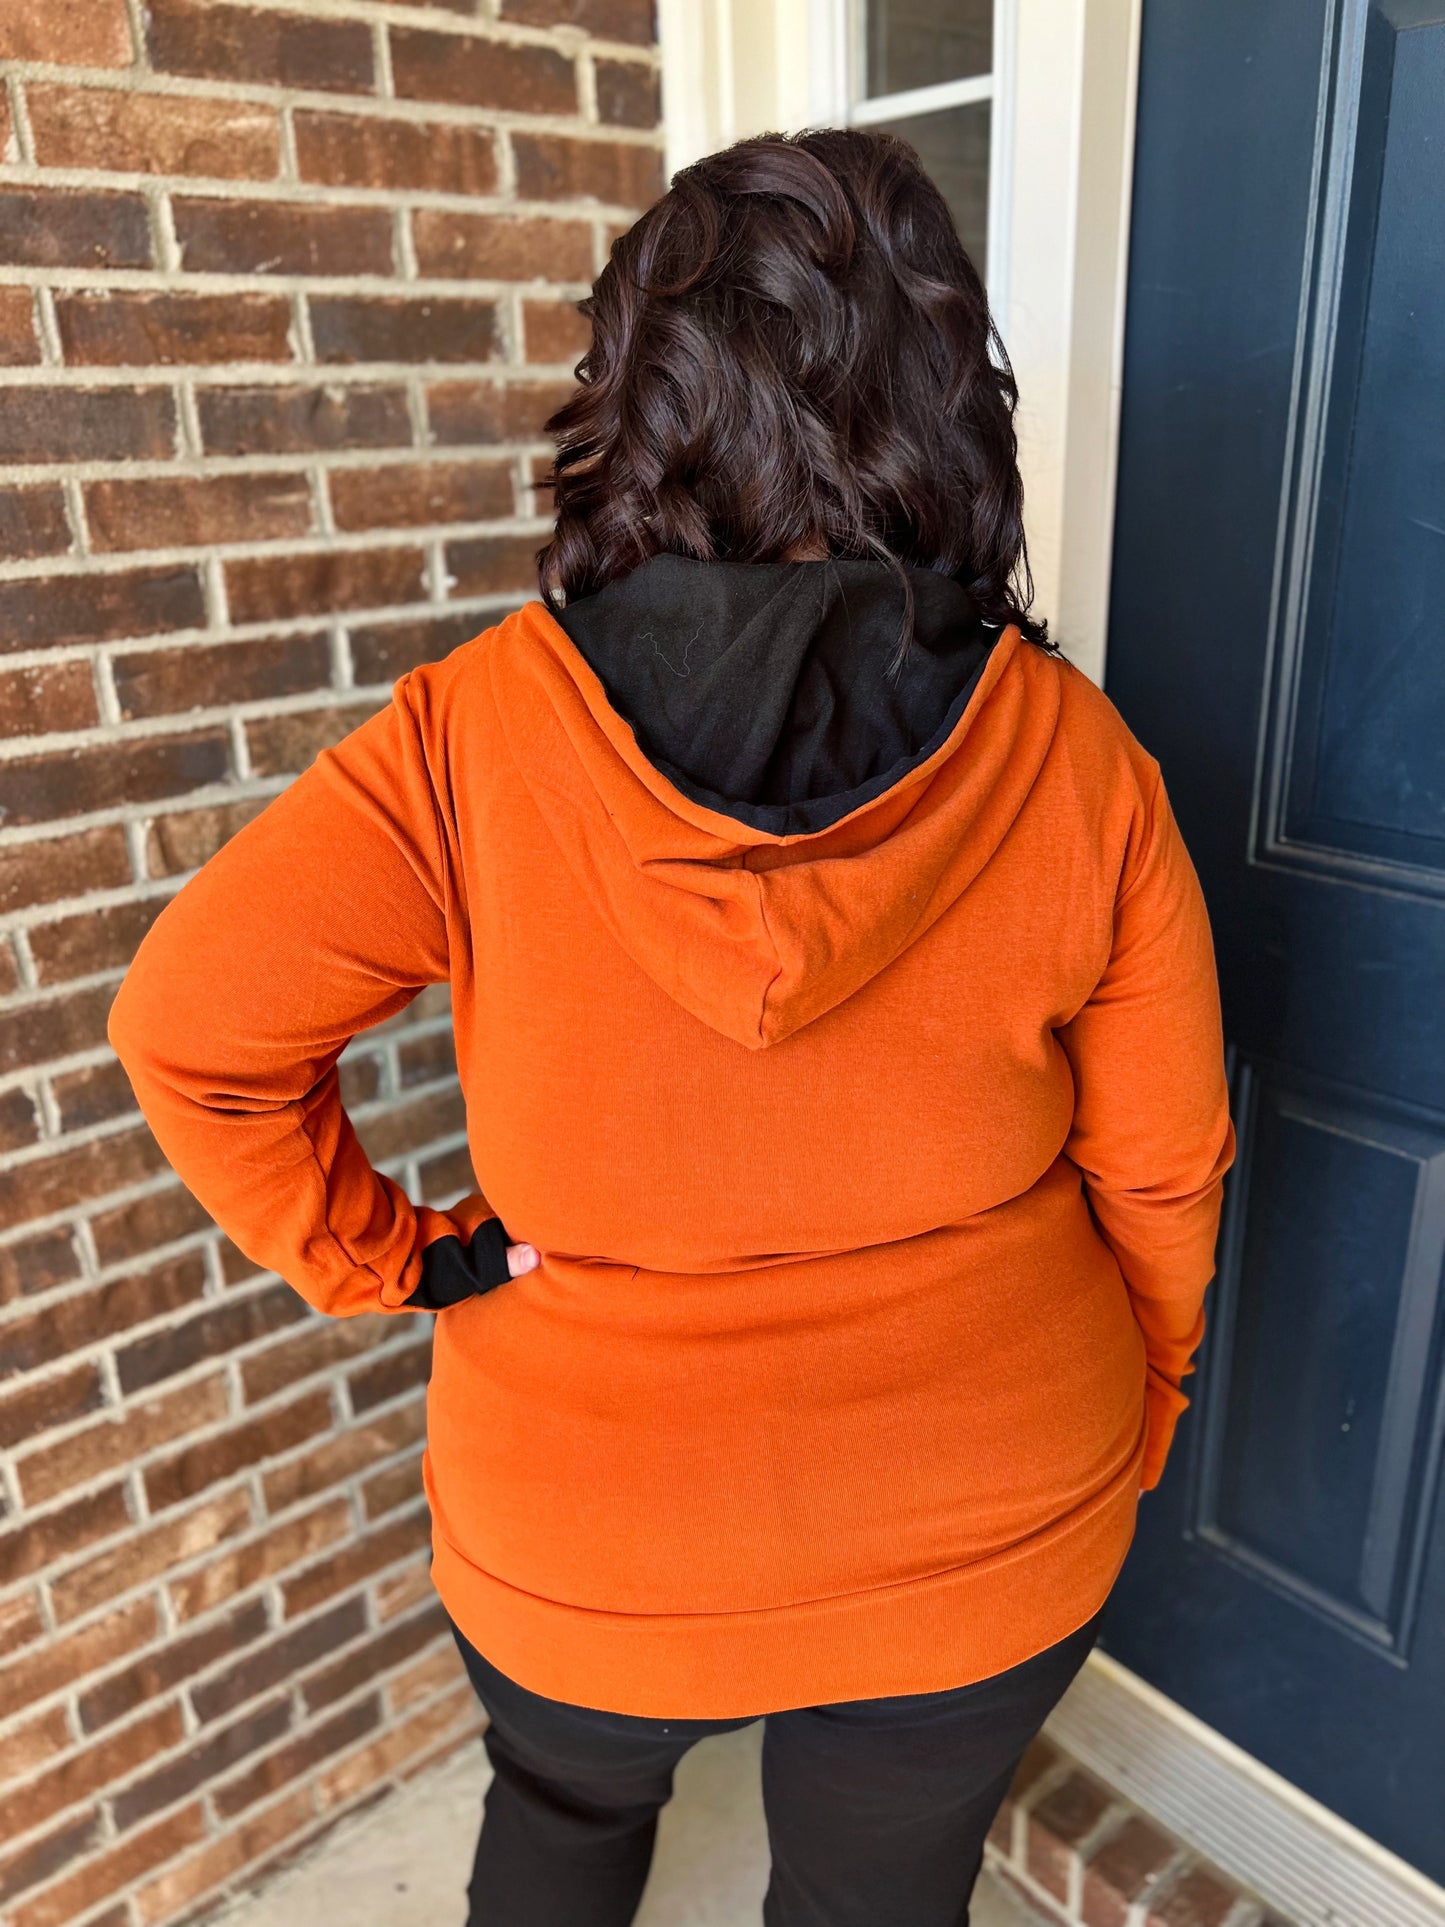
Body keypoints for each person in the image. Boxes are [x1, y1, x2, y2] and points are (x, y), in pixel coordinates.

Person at [108, 128, 1235, 1927]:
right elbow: (1164, 1166)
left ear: (639, 400)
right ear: (947, 400)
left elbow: (189, 1030)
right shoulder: (1077, 760)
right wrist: (1144, 1397)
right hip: (988, 1507)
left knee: (558, 1829)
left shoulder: (470, 737)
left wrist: (392, 1259)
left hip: (587, 1542)